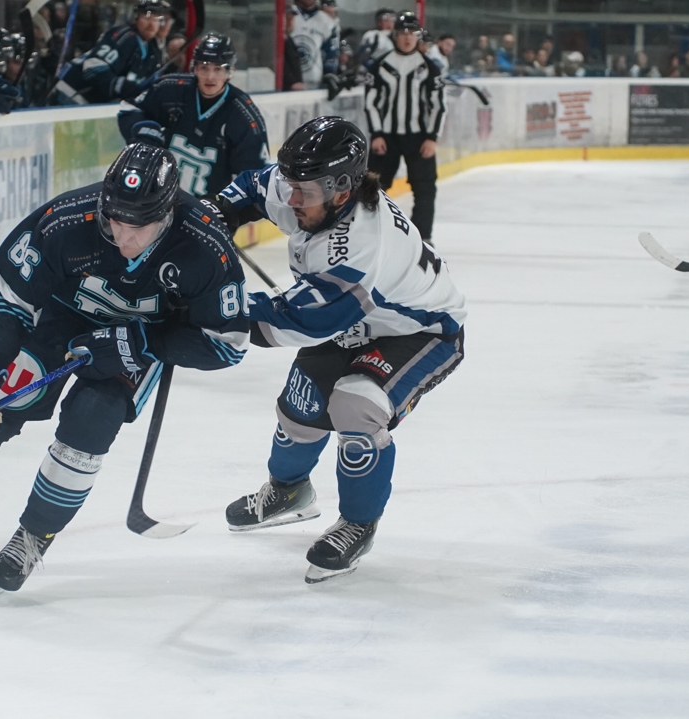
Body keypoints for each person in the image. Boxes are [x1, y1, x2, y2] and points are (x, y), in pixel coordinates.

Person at [0, 144, 250, 598]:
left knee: (90, 422)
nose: (124, 235)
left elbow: (226, 345)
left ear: (169, 213)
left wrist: (142, 342)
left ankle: (34, 536)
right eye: (116, 220)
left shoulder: (205, 246)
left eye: (140, 225)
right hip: (58, 322)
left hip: (135, 341)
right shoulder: (68, 220)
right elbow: (7, 294)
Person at [209, 117, 466, 583]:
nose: (290, 199)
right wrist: (210, 221)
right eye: (290, 186)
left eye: (301, 192)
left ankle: (358, 522)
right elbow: (249, 188)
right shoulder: (311, 190)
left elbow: (300, 320)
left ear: (342, 190)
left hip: (422, 330)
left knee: (355, 404)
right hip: (358, 319)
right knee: (300, 409)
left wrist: (207, 309)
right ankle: (289, 493)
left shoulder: (360, 246)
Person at [118, 32, 269, 196]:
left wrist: (231, 208)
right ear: (195, 68)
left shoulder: (242, 115)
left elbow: (255, 176)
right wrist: (143, 132)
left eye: (218, 69)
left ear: (230, 71)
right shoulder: (171, 89)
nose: (210, 76)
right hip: (158, 200)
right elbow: (129, 107)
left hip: (208, 209)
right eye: (204, 67)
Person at [363, 11, 444, 244]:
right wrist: (376, 133)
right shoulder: (379, 65)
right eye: (403, 33)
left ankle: (422, 238)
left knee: (425, 188)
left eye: (413, 33)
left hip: (419, 138)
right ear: (395, 35)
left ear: (419, 36)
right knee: (372, 189)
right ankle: (370, 236)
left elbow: (438, 106)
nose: (408, 38)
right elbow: (370, 103)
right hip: (385, 137)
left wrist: (431, 137)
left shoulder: (430, 68)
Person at [53, 0, 167, 105]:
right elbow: (92, 67)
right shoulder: (124, 37)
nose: (152, 24)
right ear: (136, 18)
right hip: (71, 94)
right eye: (147, 17)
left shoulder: (153, 51)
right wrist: (121, 86)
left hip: (92, 105)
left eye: (157, 19)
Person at [287, 0, 338, 90]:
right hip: (288, 82)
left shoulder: (328, 23)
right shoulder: (288, 15)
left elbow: (331, 55)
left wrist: (328, 75)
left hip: (314, 84)